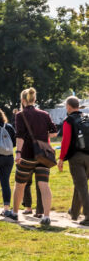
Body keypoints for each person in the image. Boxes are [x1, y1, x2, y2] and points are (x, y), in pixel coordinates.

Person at [11, 87, 56, 225]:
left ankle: (14, 213)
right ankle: (46, 216)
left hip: (27, 154)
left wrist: (18, 152)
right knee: (44, 185)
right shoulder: (44, 114)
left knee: (20, 185)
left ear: (23, 100)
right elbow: (54, 132)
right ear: (34, 99)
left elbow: (20, 136)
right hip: (43, 155)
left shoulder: (20, 115)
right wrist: (42, 136)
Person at [58, 96, 89, 224]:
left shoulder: (68, 120)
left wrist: (61, 159)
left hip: (76, 157)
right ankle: (74, 212)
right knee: (80, 185)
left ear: (69, 107)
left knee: (81, 186)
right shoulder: (86, 117)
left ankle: (88, 216)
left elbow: (65, 141)